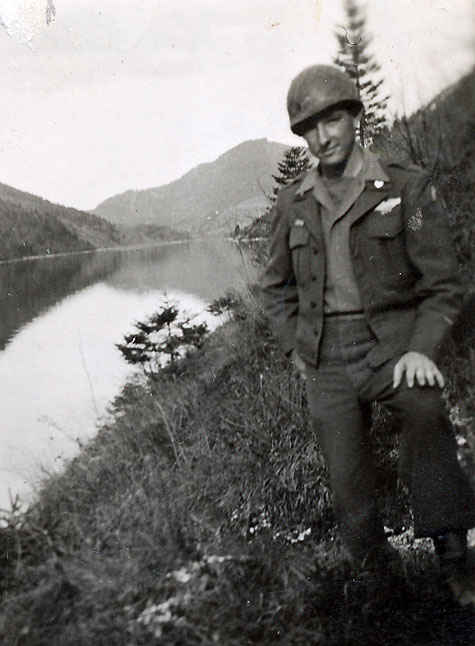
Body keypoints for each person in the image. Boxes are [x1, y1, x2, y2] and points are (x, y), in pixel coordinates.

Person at [260, 64, 475, 593]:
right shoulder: (294, 203)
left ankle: (454, 558)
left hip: (395, 346)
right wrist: (297, 348)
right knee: (346, 476)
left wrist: (423, 349)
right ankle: (376, 579)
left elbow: (444, 285)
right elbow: (275, 287)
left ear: (354, 116)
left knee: (426, 411)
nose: (320, 138)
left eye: (330, 120)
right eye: (307, 129)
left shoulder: (404, 185)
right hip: (325, 357)